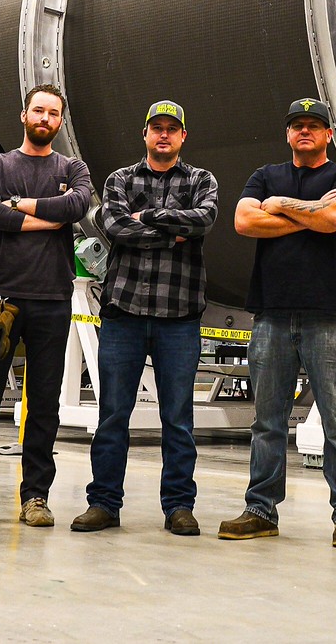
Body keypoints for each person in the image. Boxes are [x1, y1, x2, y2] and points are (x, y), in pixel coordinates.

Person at [218, 98, 336, 549]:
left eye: (314, 126)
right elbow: (244, 221)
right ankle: (261, 509)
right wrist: (310, 216)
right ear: (288, 134)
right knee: (267, 421)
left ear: (328, 135)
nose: (305, 131)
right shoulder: (264, 174)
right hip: (271, 316)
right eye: (297, 125)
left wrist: (281, 207)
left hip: (329, 317)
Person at [0, 83, 93, 529]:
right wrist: (50, 217)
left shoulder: (73, 166)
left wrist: (22, 207)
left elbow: (79, 204)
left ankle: (36, 496)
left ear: (60, 121)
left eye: (53, 113)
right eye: (38, 110)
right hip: (1, 298)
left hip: (52, 299)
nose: (45, 119)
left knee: (44, 404)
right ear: (24, 115)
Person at [75, 100, 218, 536]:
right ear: (145, 134)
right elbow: (115, 227)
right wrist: (173, 233)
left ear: (182, 137)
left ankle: (178, 506)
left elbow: (205, 219)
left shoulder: (201, 180)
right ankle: (103, 503)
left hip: (180, 316)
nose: (163, 135)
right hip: (124, 312)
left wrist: (151, 217)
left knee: (178, 417)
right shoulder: (120, 179)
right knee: (113, 415)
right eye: (156, 128)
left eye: (171, 129)